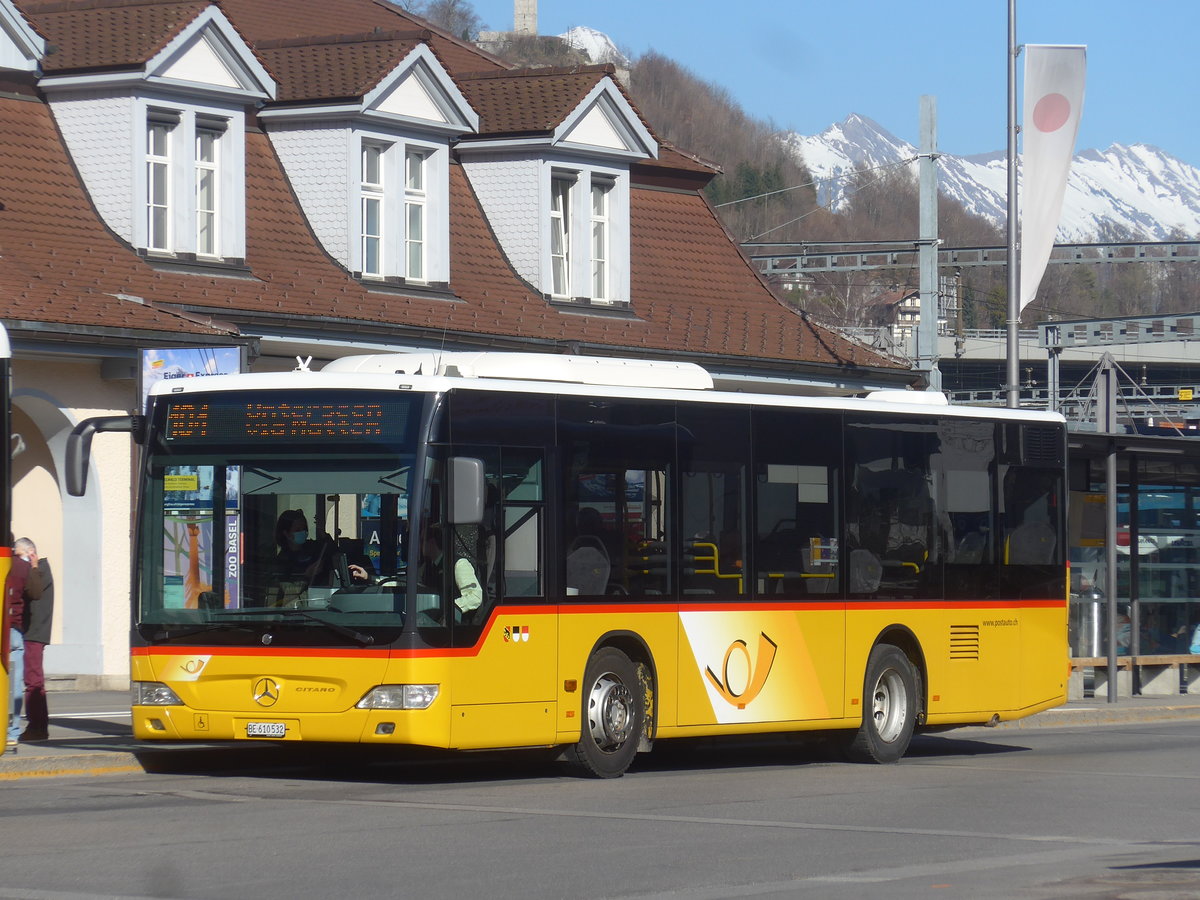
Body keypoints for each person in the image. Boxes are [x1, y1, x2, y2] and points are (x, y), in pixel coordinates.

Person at [5, 533, 43, 755]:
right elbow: (36, 593)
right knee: (15, 683)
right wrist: (34, 566)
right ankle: (11, 731)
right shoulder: (22, 566)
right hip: (14, 630)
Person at [14, 538, 52, 743]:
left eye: (19, 553)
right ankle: (38, 727)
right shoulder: (38, 570)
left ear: (31, 552)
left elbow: (32, 594)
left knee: (33, 681)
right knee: (33, 680)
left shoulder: (39, 570)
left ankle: (37, 727)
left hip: (33, 633)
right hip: (33, 633)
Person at [273, 510, 369, 588]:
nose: (303, 532)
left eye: (304, 529)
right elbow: (286, 589)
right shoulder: (282, 560)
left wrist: (322, 531)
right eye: (298, 530)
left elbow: (335, 554)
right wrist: (306, 576)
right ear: (286, 533)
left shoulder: (314, 548)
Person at [419, 525, 482, 616]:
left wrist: (448, 608)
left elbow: (475, 597)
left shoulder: (459, 564)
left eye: (421, 541)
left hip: (458, 625)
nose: (419, 546)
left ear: (432, 542)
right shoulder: (427, 567)